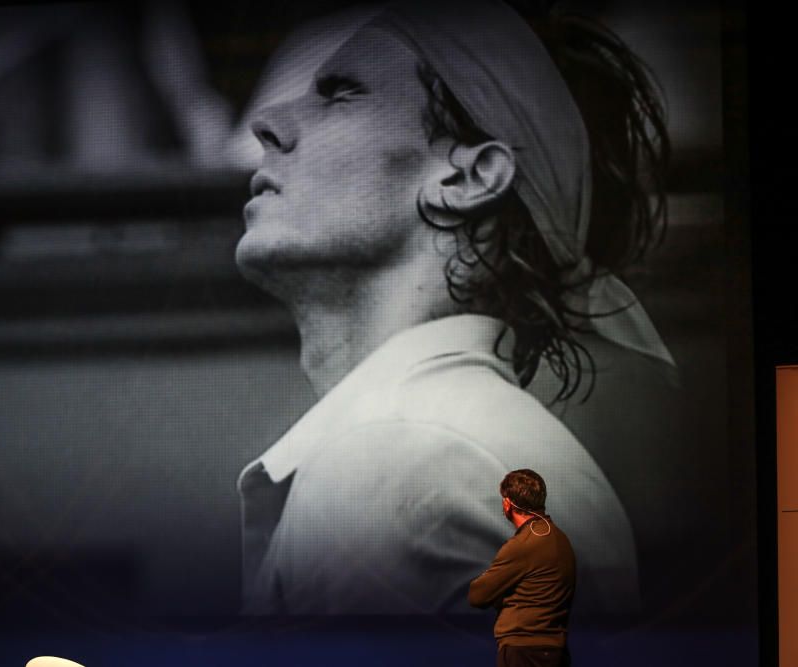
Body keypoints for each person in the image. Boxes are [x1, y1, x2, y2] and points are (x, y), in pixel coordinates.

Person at [235, 0, 671, 614]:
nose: (269, 122)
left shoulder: (398, 455)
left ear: (469, 178)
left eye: (342, 93)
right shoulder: (435, 442)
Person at [469, 469, 576, 667]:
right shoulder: (560, 539)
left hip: (524, 653)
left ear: (508, 504)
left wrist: (503, 595)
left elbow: (478, 595)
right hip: (555, 652)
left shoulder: (523, 545)